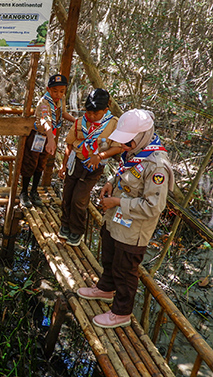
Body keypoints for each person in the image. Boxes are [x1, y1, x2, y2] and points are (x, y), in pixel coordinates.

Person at [77, 109, 173, 329]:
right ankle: (105, 288)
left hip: (134, 228)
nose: (124, 146)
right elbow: (125, 170)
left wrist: (119, 202)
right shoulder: (135, 151)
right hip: (116, 221)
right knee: (109, 255)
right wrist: (111, 182)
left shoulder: (156, 164)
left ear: (140, 136)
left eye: (127, 142)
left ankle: (121, 312)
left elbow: (153, 207)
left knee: (125, 269)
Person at [57, 89, 122, 246]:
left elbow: (118, 147)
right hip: (76, 162)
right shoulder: (80, 121)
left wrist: (99, 156)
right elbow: (70, 143)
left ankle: (77, 231)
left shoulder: (113, 124)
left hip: (94, 165)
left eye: (96, 114)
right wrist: (63, 165)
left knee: (79, 198)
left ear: (106, 109)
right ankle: (65, 225)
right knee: (67, 194)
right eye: (89, 113)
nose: (91, 117)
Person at [20, 74, 75, 207]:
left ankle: (34, 191)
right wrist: (51, 139)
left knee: (41, 163)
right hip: (38, 136)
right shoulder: (44, 103)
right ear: (48, 89)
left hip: (50, 137)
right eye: (55, 91)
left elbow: (63, 113)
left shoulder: (60, 100)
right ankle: (23, 192)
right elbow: (46, 120)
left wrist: (76, 121)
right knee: (30, 163)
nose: (58, 94)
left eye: (61, 91)